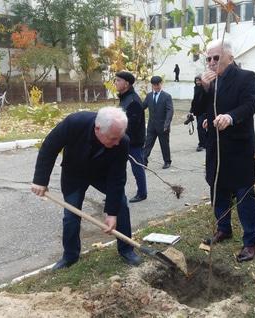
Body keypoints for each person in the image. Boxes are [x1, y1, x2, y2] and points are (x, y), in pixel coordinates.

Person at [31, 107, 141, 270]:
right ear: (98, 129)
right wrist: (40, 180)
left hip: (102, 174)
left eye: (119, 137)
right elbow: (49, 147)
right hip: (74, 173)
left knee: (121, 206)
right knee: (71, 214)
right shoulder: (75, 123)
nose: (117, 142)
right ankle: (70, 256)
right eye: (113, 138)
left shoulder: (122, 141)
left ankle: (126, 249)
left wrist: (111, 213)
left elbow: (117, 178)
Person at [193, 40, 255, 262]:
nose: (211, 63)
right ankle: (223, 228)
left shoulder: (246, 77)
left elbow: (249, 105)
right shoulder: (209, 80)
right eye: (208, 59)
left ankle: (251, 242)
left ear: (229, 58)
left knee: (244, 194)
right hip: (216, 146)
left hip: (239, 147)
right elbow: (198, 109)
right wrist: (202, 88)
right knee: (217, 188)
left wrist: (230, 117)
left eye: (216, 58)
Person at [114, 71, 147, 203]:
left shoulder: (133, 100)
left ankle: (142, 193)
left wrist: (118, 135)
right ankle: (115, 193)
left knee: (137, 167)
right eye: (115, 80)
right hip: (122, 139)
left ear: (126, 83)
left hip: (133, 142)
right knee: (117, 168)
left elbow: (131, 125)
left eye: (118, 80)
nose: (115, 83)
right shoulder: (124, 98)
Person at [142, 76, 174, 169]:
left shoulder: (167, 96)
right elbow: (142, 107)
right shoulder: (148, 96)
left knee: (164, 145)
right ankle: (144, 162)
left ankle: (167, 161)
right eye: (154, 85)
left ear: (161, 84)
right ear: (152, 85)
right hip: (152, 126)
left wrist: (167, 124)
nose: (156, 87)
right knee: (148, 144)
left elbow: (170, 111)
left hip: (163, 126)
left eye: (158, 84)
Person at [190, 75, 206, 152]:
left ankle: (202, 144)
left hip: (204, 112)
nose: (198, 82)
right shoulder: (196, 88)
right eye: (196, 81)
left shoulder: (205, 89)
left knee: (200, 127)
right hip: (198, 112)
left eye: (199, 80)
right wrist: (191, 111)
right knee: (201, 128)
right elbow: (194, 101)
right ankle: (204, 143)